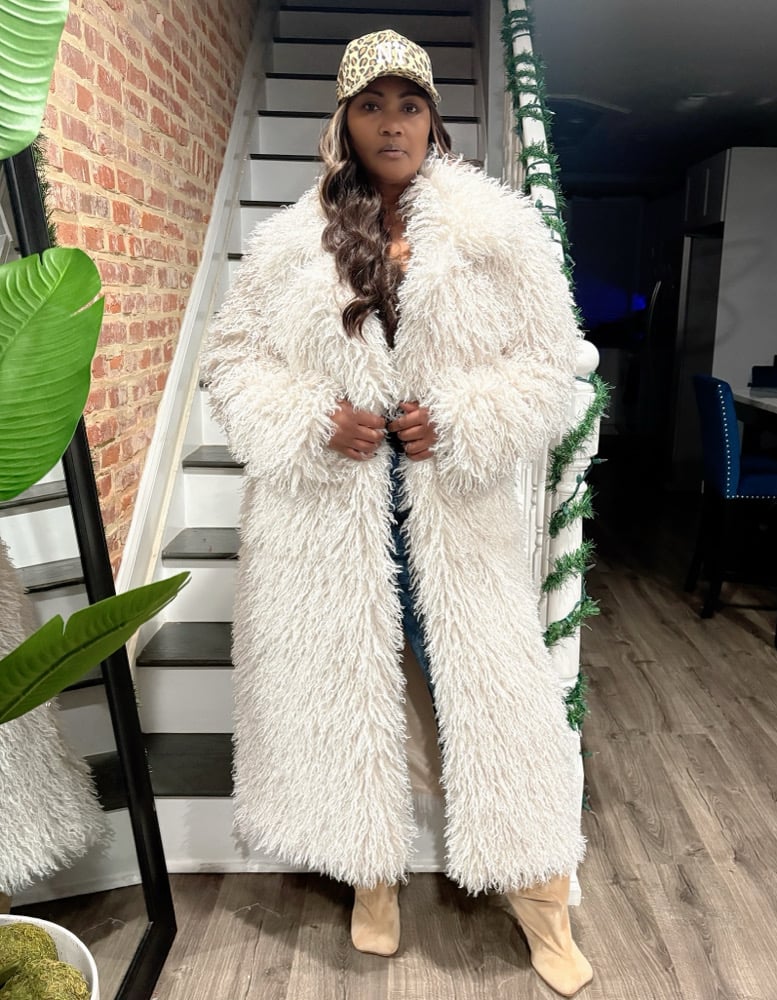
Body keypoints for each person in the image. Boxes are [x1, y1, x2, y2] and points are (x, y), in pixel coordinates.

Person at [202, 28, 592, 997]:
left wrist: (458, 418)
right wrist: (311, 418)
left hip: (451, 515)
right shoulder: (289, 243)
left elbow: (553, 367)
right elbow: (232, 362)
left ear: (432, 120)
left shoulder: (498, 234)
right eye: (371, 105)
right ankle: (369, 873)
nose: (391, 123)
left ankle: (541, 894)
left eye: (408, 104)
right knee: (349, 698)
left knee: (496, 699)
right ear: (345, 121)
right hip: (325, 520)